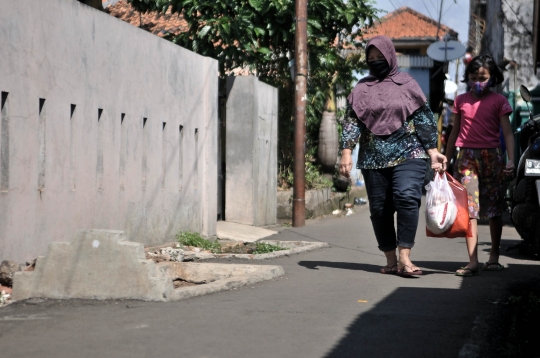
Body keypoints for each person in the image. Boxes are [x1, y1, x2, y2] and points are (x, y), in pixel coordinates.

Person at [339, 35, 447, 277]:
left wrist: (432, 151)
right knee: (379, 208)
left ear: (390, 57)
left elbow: (423, 119)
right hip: (373, 157)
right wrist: (346, 152)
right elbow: (351, 123)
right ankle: (390, 260)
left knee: (407, 197)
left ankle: (404, 257)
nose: (376, 62)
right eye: (371, 58)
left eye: (381, 57)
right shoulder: (361, 89)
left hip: (410, 151)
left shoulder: (407, 84)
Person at [444, 55, 515, 277]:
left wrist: (511, 159)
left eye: (483, 77)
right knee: (470, 208)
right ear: (468, 78)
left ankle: (494, 256)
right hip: (466, 158)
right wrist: (446, 160)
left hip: (492, 158)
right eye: (473, 77)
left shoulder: (500, 101)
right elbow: (454, 132)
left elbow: (508, 133)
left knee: (493, 208)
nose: (478, 81)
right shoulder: (460, 101)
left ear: (492, 77)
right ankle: (472, 260)